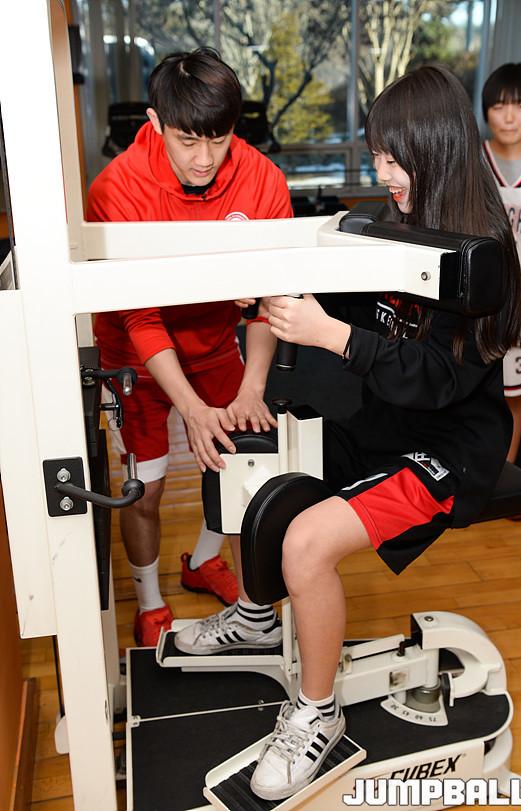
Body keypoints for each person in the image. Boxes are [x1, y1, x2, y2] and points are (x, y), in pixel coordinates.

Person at [174, 65, 521, 801]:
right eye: (376, 158)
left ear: (434, 149)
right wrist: (277, 293)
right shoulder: (388, 221)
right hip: (384, 417)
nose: (383, 174)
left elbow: (437, 379)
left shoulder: (482, 251)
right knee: (246, 457)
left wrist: (332, 335)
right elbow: (337, 303)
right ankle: (256, 617)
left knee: (306, 541)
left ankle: (317, 712)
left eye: (394, 160)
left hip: (449, 445)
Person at [87, 48, 292, 646]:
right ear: (155, 123)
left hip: (215, 344)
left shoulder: (262, 178)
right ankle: (150, 600)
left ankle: (202, 562)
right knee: (145, 489)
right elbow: (141, 316)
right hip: (134, 355)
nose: (204, 159)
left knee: (238, 462)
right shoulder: (116, 188)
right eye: (187, 141)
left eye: (218, 140)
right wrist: (193, 410)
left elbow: (268, 296)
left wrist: (253, 387)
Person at [482, 63, 521, 471]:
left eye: (519, 105)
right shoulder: (472, 166)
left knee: (513, 396)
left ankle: (505, 480)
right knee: (466, 395)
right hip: (475, 311)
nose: (508, 117)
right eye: (499, 106)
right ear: (486, 110)